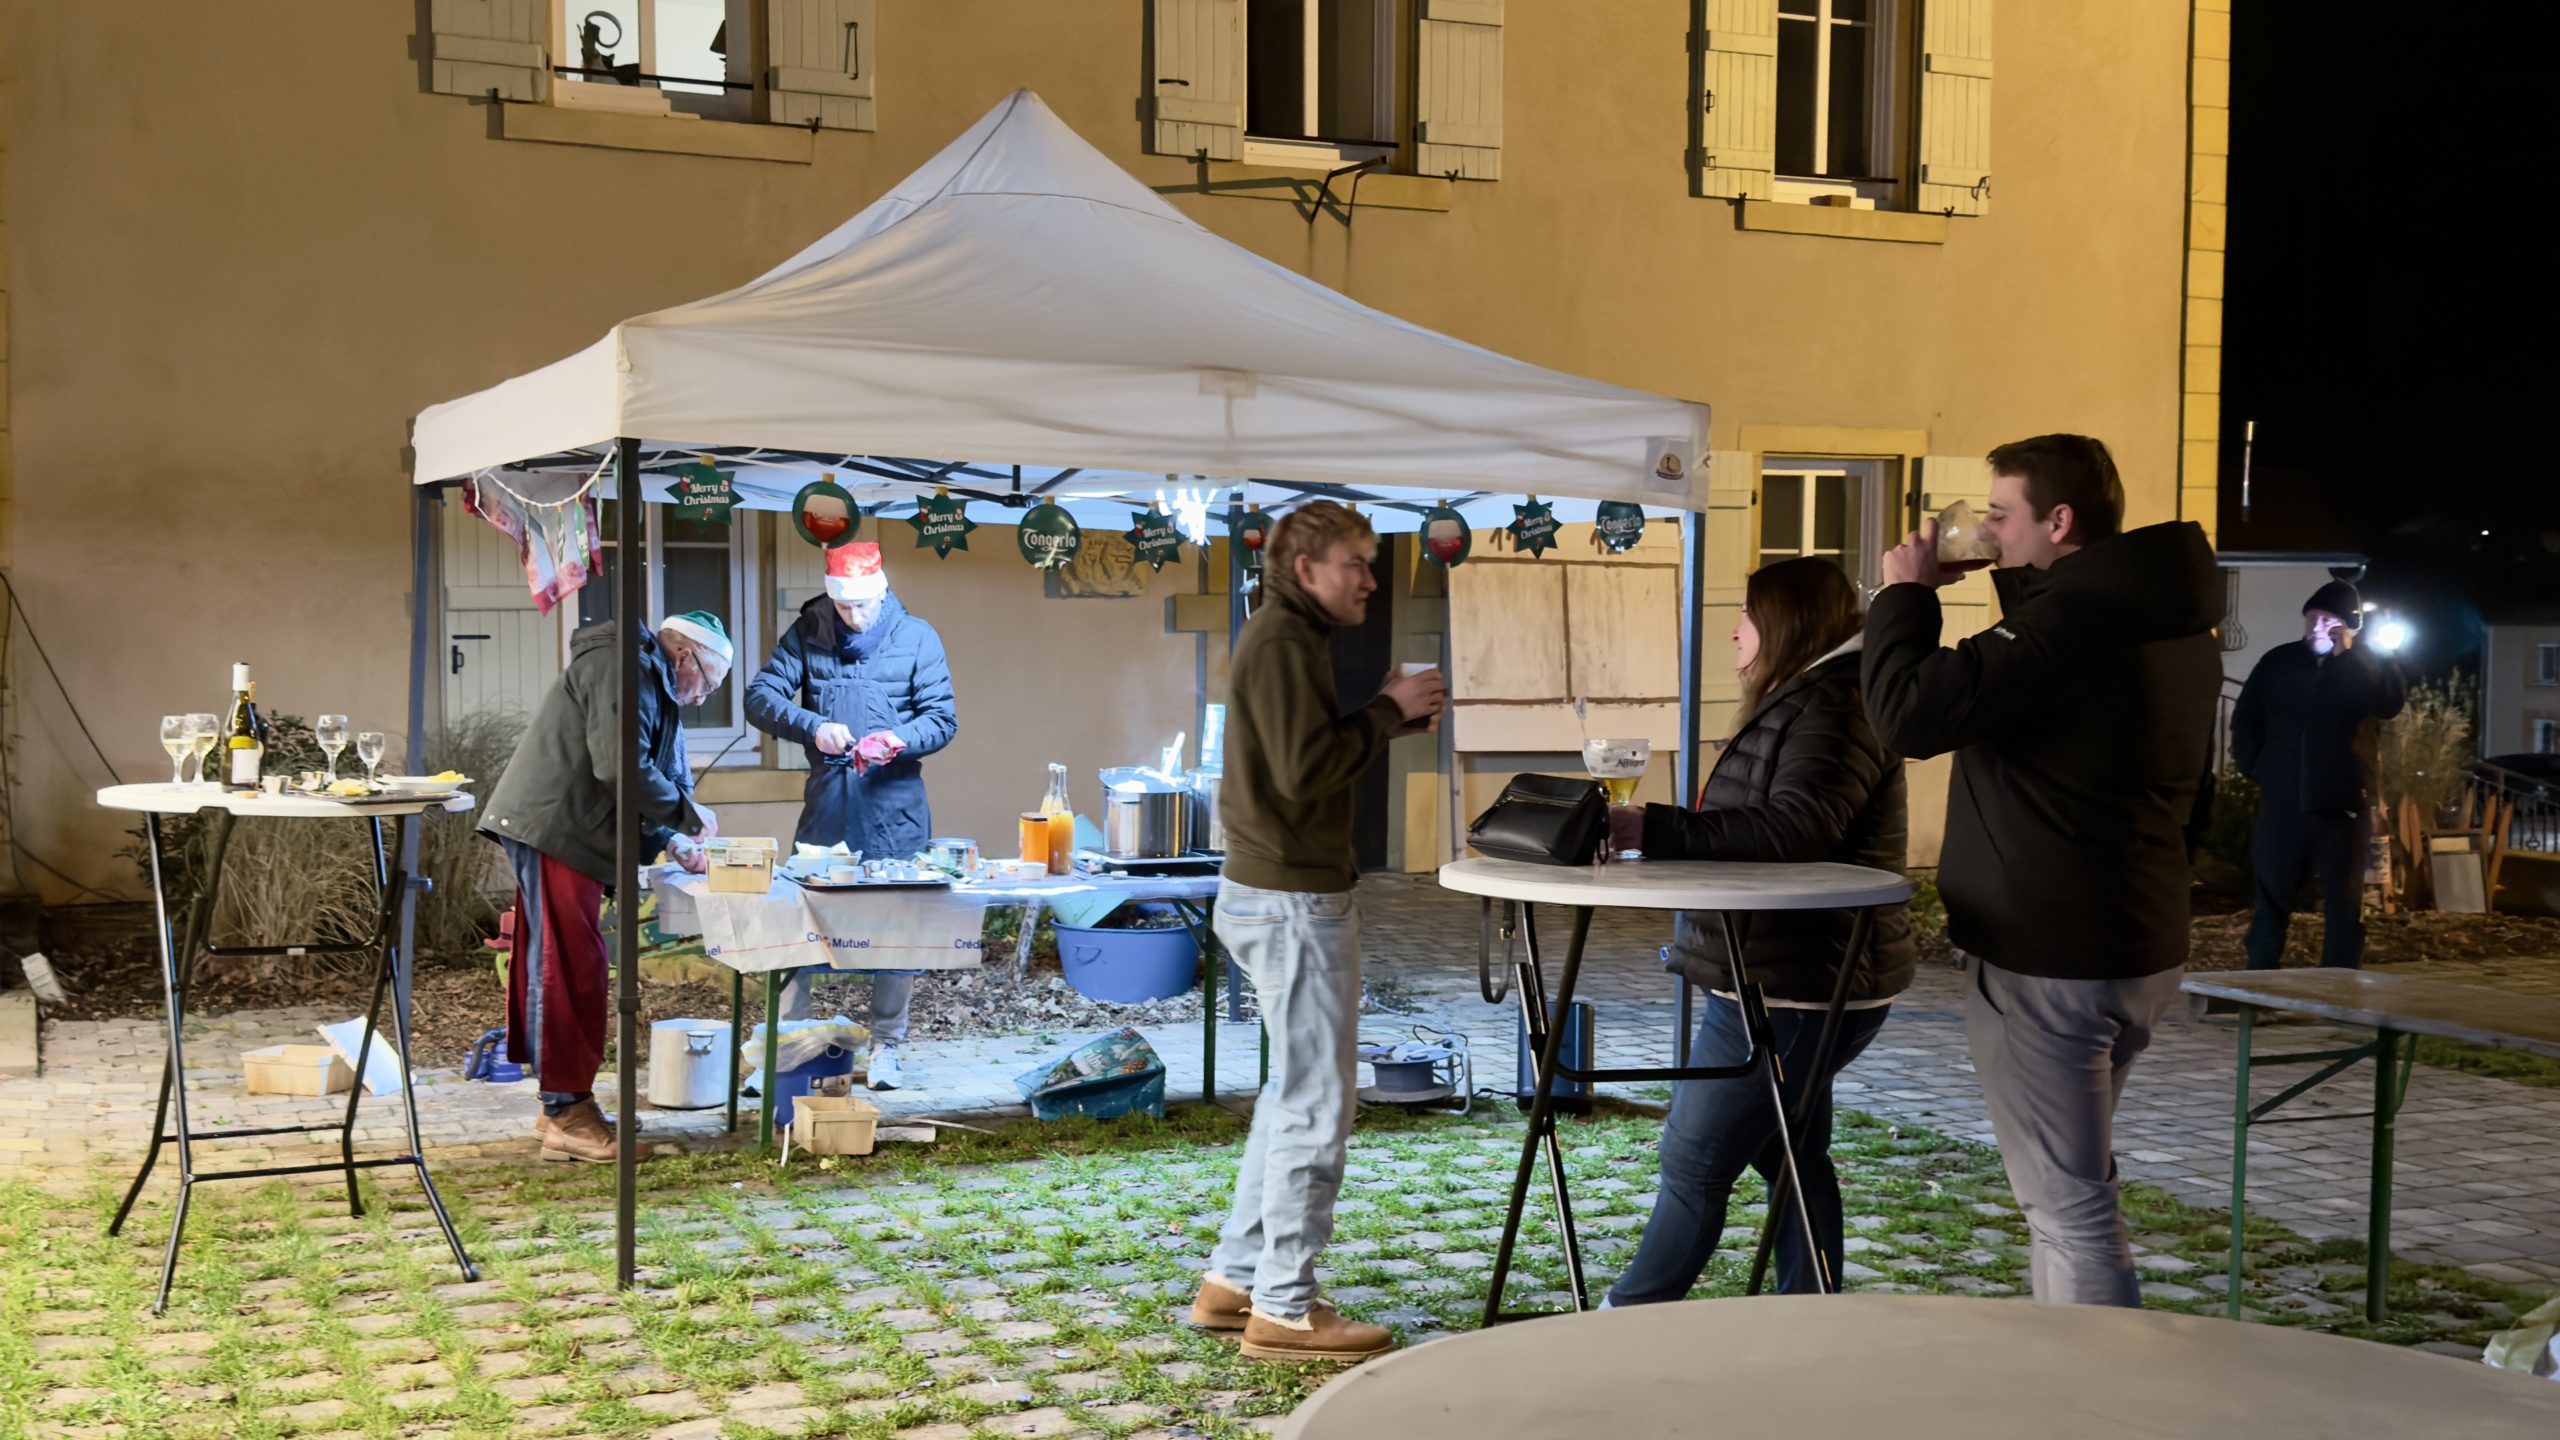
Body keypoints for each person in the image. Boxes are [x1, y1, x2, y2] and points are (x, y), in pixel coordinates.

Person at [1862, 434, 2220, 1306]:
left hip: (2051, 956)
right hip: (2135, 939)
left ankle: (2098, 1381)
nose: (1986, 531)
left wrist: (1905, 596)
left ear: (2059, 521)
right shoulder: (2164, 618)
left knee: (2070, 1208)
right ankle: (2068, 1361)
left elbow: (1908, 714)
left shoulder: (2073, 623)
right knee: (2070, 1191)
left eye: (2000, 514)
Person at [1598, 557, 1916, 1305]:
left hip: (1794, 982)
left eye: (1747, 614)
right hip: (1786, 972)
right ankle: (1810, 1319)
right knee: (1791, 1157)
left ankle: (1621, 1321)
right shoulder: (1815, 694)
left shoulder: (1837, 700)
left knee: (1694, 1162)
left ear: (1785, 623)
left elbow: (1799, 826)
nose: (1736, 632)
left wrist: (1653, 829)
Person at [1189, 501, 1445, 1363]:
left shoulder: (1289, 636)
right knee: (1318, 1103)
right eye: (1355, 563)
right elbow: (1305, 773)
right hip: (1293, 898)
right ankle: (1286, 1310)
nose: (1370, 580)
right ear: (1305, 569)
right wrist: (1385, 711)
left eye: (1372, 563)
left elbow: (1305, 757)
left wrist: (1386, 717)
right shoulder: (1284, 641)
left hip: (1280, 892)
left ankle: (1237, 1282)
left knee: (1293, 1092)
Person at [479, 611, 733, 1163]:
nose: (702, 699)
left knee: (569, 962)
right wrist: (686, 815)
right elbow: (621, 767)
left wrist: (671, 837)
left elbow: (634, 774)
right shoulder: (622, 668)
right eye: (708, 685)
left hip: (563, 828)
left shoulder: (643, 675)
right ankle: (566, 1114)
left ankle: (562, 1105)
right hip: (557, 828)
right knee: (568, 965)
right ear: (685, 656)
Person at [745, 541, 957, 1091]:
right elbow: (760, 697)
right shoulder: (808, 631)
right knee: (800, 920)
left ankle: (888, 1046)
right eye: (844, 607)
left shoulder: (918, 638)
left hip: (894, 807)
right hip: (828, 803)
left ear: (881, 593)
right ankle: (786, 1047)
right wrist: (811, 725)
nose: (854, 617)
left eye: (862, 606)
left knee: (897, 929)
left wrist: (899, 739)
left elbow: (942, 718)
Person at [2230, 582, 2406, 970]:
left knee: (2344, 905)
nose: (2318, 627)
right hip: (2284, 801)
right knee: (2271, 899)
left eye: (2329, 620)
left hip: (2342, 805)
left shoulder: (2365, 665)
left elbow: (2388, 704)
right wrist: (2254, 767)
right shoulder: (2279, 662)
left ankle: (2338, 986)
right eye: (2313, 618)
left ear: (2348, 626)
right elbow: (2246, 719)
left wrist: (2349, 657)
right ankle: (2259, 980)